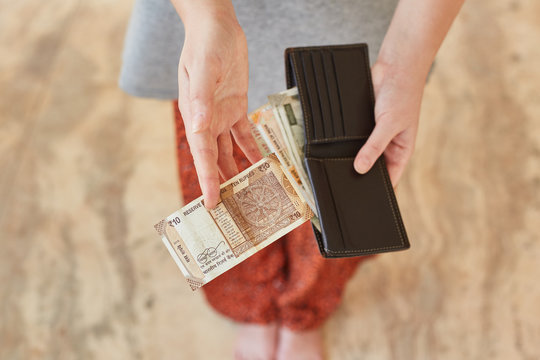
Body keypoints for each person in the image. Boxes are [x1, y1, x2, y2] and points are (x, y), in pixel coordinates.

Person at [119, 0, 464, 358]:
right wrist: (209, 17)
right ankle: (251, 304)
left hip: (359, 33)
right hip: (204, 22)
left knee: (333, 190)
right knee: (222, 169)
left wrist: (402, 68)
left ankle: (305, 306)